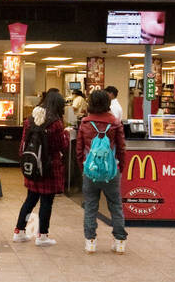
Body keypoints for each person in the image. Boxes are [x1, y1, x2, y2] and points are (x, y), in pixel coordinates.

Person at [13, 88, 69, 247]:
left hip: (33, 165)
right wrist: (66, 134)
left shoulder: (30, 119)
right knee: (46, 202)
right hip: (49, 168)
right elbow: (61, 145)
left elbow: (23, 144)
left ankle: (19, 231)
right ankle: (42, 235)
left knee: (30, 200)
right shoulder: (56, 123)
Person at [76, 89, 127, 255]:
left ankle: (90, 242)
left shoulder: (85, 123)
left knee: (90, 206)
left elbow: (78, 150)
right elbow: (121, 148)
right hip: (111, 171)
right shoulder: (115, 123)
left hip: (90, 171)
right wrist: (120, 168)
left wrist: (82, 167)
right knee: (115, 206)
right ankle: (119, 242)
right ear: (107, 103)